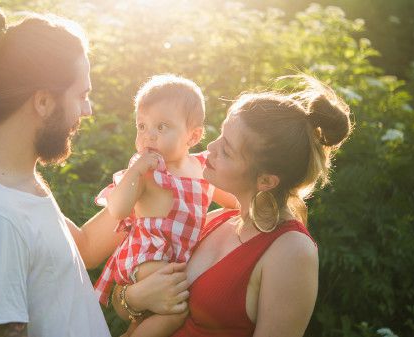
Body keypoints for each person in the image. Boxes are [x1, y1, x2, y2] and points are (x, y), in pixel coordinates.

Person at [0, 6, 185, 337]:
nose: (88, 110)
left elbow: (81, 250)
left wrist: (144, 184)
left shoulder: (16, 182)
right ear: (43, 102)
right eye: (82, 95)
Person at [118, 76, 352, 336]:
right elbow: (122, 297)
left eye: (227, 150)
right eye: (220, 135)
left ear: (266, 180)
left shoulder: (292, 250)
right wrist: (135, 297)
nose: (210, 147)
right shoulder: (216, 220)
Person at [93, 75, 238, 337]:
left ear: (192, 136)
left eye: (161, 127)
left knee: (165, 306)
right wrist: (135, 172)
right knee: (177, 303)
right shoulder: (147, 171)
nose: (148, 136)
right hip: (147, 254)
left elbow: (236, 204)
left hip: (179, 258)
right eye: (141, 126)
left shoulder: (202, 169)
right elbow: (118, 210)